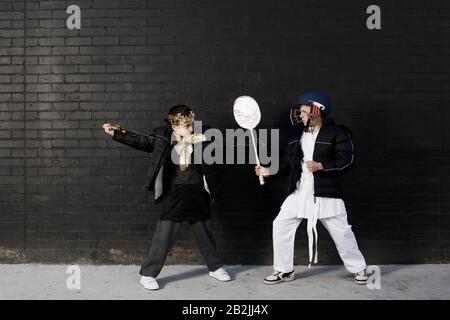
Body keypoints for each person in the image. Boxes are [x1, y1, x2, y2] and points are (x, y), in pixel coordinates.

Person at [102, 105, 230, 290]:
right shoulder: (163, 136)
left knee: (205, 232)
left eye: (192, 124)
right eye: (187, 126)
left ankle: (215, 267)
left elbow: (227, 143)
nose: (191, 129)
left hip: (197, 191)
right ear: (174, 125)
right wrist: (118, 133)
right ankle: (147, 274)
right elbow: (141, 141)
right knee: (164, 235)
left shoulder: (205, 135)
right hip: (175, 192)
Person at [255, 91, 368, 285]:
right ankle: (284, 270)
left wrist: (322, 166)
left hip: (327, 192)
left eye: (304, 111)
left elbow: (346, 161)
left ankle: (358, 268)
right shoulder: (297, 135)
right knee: (280, 225)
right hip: (300, 191)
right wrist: (268, 171)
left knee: (341, 232)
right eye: (300, 112)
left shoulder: (338, 133)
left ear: (317, 112)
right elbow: (287, 163)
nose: (300, 115)